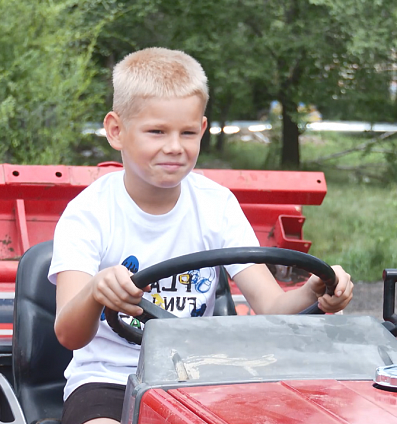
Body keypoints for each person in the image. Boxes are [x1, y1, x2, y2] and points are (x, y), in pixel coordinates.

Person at [49, 47, 354, 424]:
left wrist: (314, 292)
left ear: (203, 131)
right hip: (108, 379)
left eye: (188, 132)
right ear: (116, 131)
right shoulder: (89, 212)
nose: (175, 147)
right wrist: (96, 290)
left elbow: (271, 308)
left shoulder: (216, 205)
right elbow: (68, 334)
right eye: (157, 131)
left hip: (196, 378)